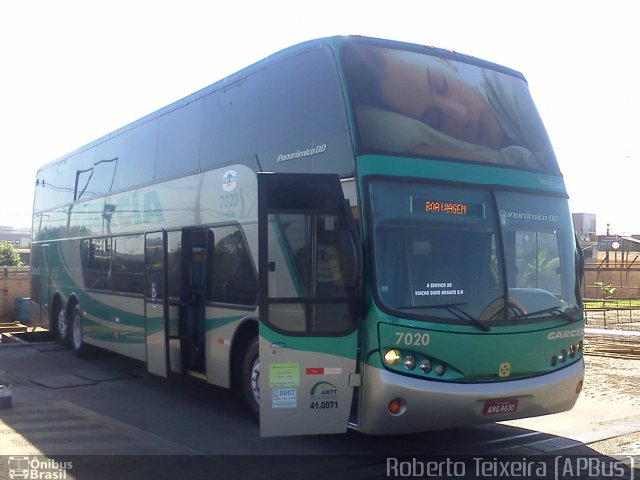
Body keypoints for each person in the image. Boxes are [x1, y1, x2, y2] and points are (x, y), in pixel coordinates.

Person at [342, 43, 558, 171]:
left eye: (441, 85)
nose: (462, 115)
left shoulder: (507, 86)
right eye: (435, 122)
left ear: (448, 64)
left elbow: (548, 176)